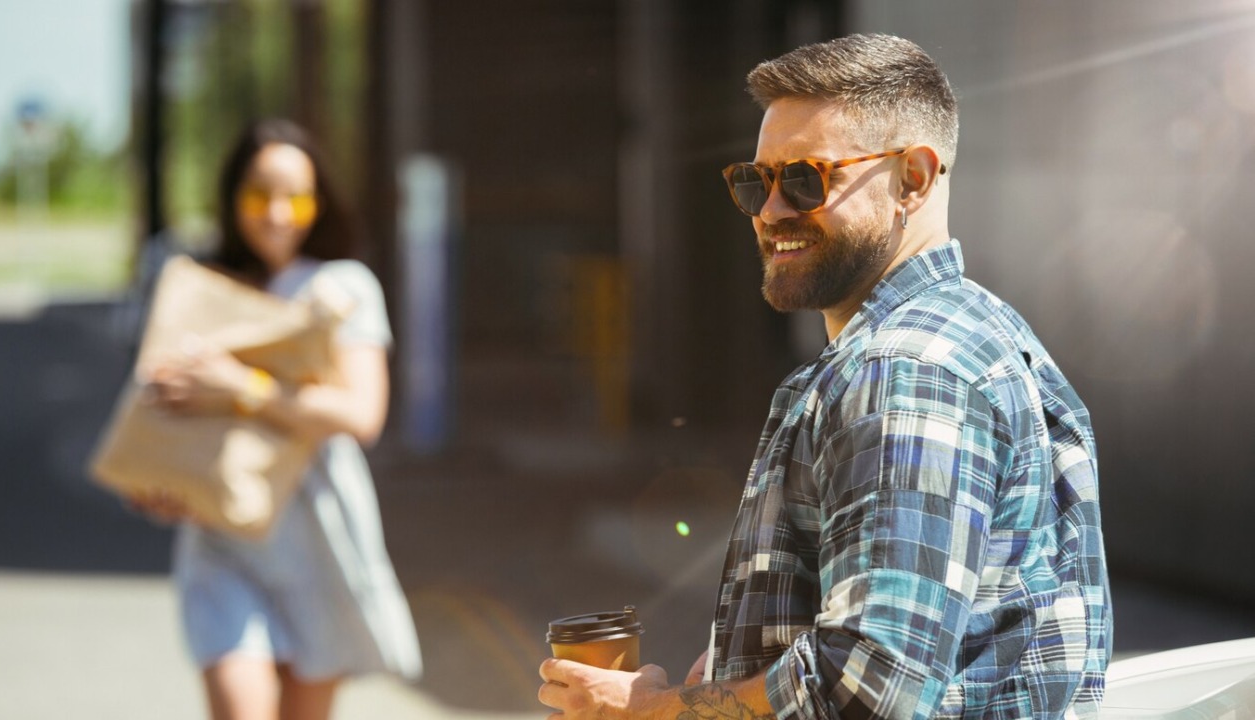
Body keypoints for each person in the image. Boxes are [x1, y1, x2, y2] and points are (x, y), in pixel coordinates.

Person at [539, 34, 1112, 719]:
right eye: (754, 181)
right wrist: (733, 670)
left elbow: (869, 687)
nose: (770, 210)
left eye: (807, 179)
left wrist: (656, 713)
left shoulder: (903, 371)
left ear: (915, 179)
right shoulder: (983, 331)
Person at [131, 118, 422, 720]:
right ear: (234, 197)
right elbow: (160, 414)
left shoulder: (341, 287)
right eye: (261, 194)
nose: (279, 212)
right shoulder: (203, 287)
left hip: (316, 537)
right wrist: (156, 483)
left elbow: (362, 414)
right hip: (222, 537)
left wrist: (240, 386)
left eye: (297, 195)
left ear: (320, 201)